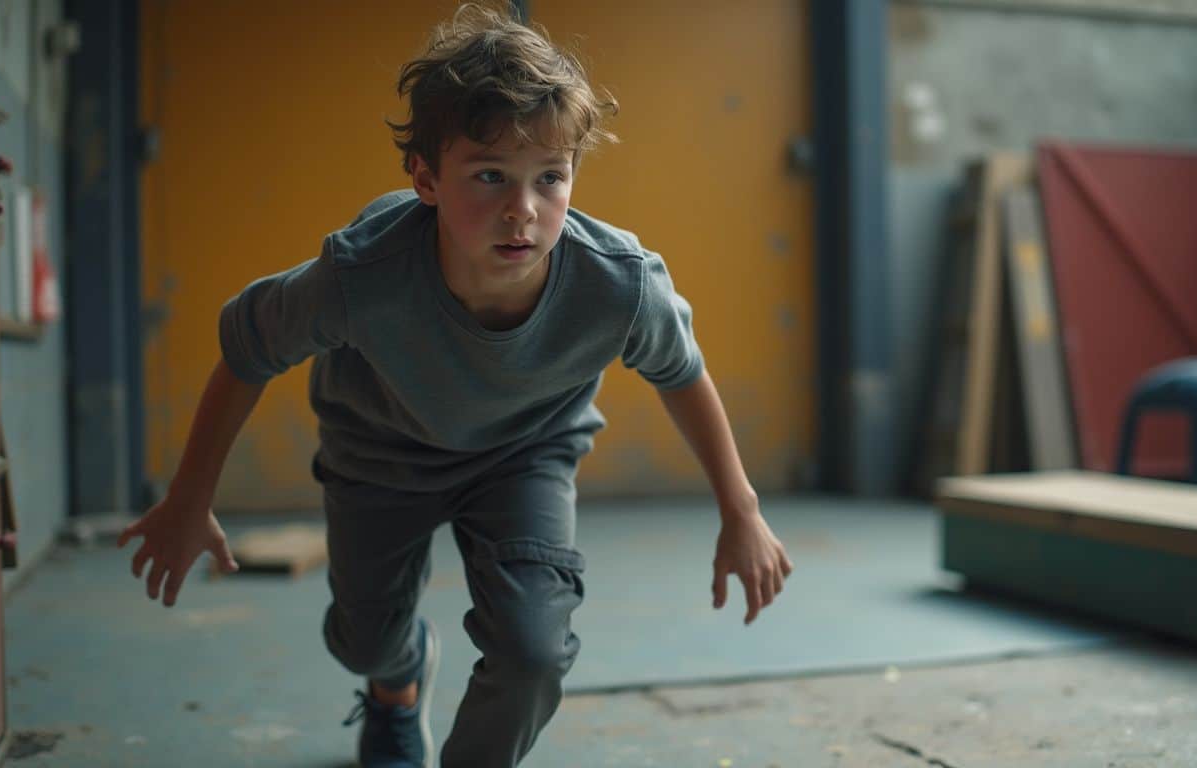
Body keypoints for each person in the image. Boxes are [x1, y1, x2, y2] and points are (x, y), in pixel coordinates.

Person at [116, 4, 793, 766]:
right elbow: (247, 351)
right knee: (364, 641)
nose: (522, 210)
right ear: (426, 178)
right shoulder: (361, 276)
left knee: (533, 650)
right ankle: (398, 684)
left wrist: (741, 511)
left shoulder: (617, 285)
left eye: (550, 178)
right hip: (380, 454)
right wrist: (190, 499)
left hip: (524, 456)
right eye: (490, 175)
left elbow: (682, 372)